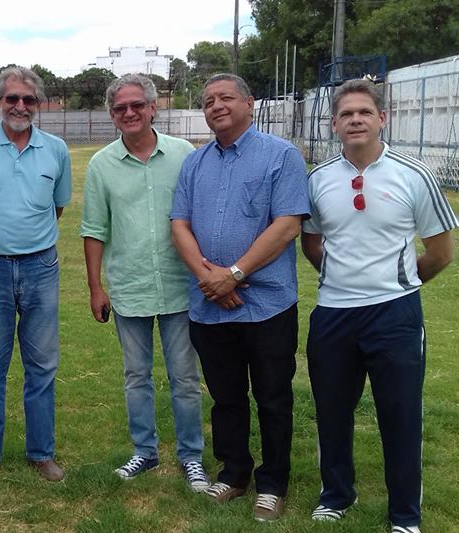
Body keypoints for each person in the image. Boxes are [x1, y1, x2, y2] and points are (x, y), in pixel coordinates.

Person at [302, 79, 458, 533]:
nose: (355, 119)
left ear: (382, 118)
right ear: (334, 124)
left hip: (395, 313)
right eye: (346, 114)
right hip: (333, 314)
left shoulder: (414, 174)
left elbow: (441, 251)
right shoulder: (318, 179)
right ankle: (336, 495)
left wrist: (401, 285)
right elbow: (311, 243)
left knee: (401, 414)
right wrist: (340, 279)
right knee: (331, 411)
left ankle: (405, 515)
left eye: (364, 112)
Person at [170, 73, 309, 521]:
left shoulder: (281, 155)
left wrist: (234, 274)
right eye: (208, 100)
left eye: (226, 97)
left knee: (272, 395)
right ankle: (233, 472)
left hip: (267, 304)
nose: (216, 105)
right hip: (210, 306)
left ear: (249, 103)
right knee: (226, 396)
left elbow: (287, 224)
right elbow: (180, 225)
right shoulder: (194, 163)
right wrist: (209, 278)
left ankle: (273, 482)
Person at [80, 73, 210, 490]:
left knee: (185, 377)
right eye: (120, 108)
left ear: (154, 108)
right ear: (112, 115)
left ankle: (191, 456)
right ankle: (145, 452)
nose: (130, 113)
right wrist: (96, 287)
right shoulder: (102, 165)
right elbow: (94, 229)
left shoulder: (183, 154)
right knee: (136, 376)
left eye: (138, 105)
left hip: (179, 285)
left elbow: (199, 219)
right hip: (130, 286)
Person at [0, 66, 72, 482]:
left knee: (42, 364)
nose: (20, 106)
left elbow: (57, 207)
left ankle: (41, 452)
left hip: (41, 266)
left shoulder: (56, 150)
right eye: (12, 99)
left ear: (37, 105)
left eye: (28, 99)